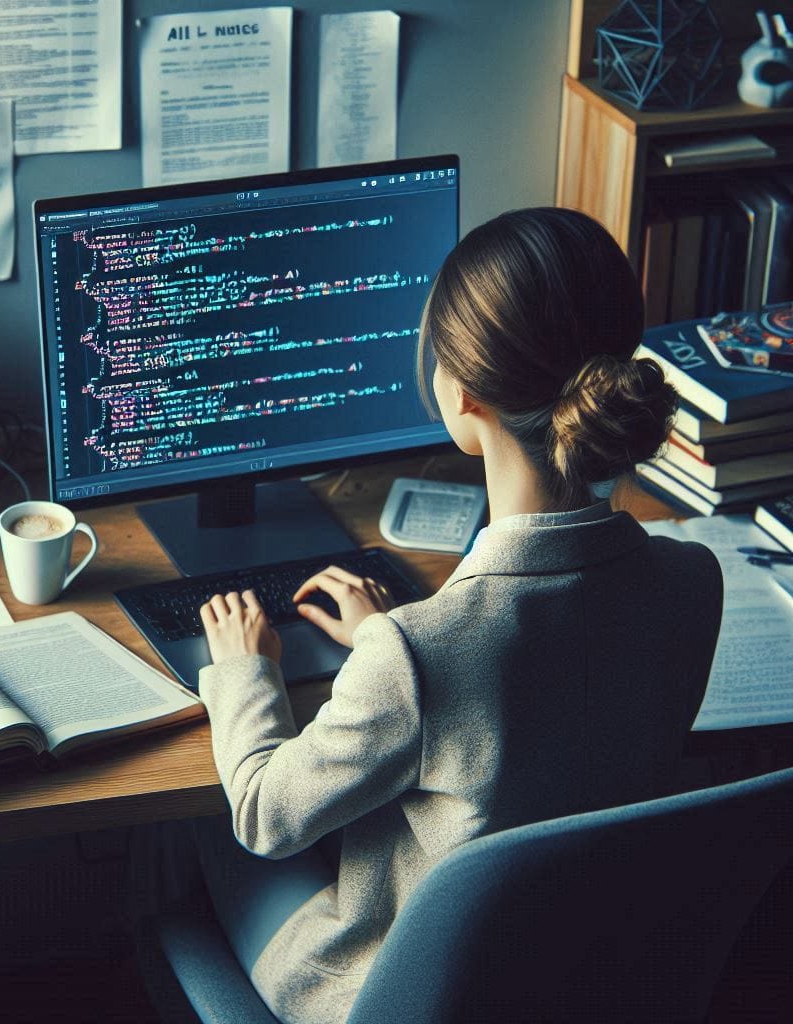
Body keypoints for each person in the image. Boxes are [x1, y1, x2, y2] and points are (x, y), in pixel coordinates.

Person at [191, 207, 724, 1024]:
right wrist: (384, 640)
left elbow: (265, 816)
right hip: (579, 977)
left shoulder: (420, 653)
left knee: (186, 827)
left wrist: (242, 670)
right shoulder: (694, 577)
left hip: (395, 994)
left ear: (463, 392)